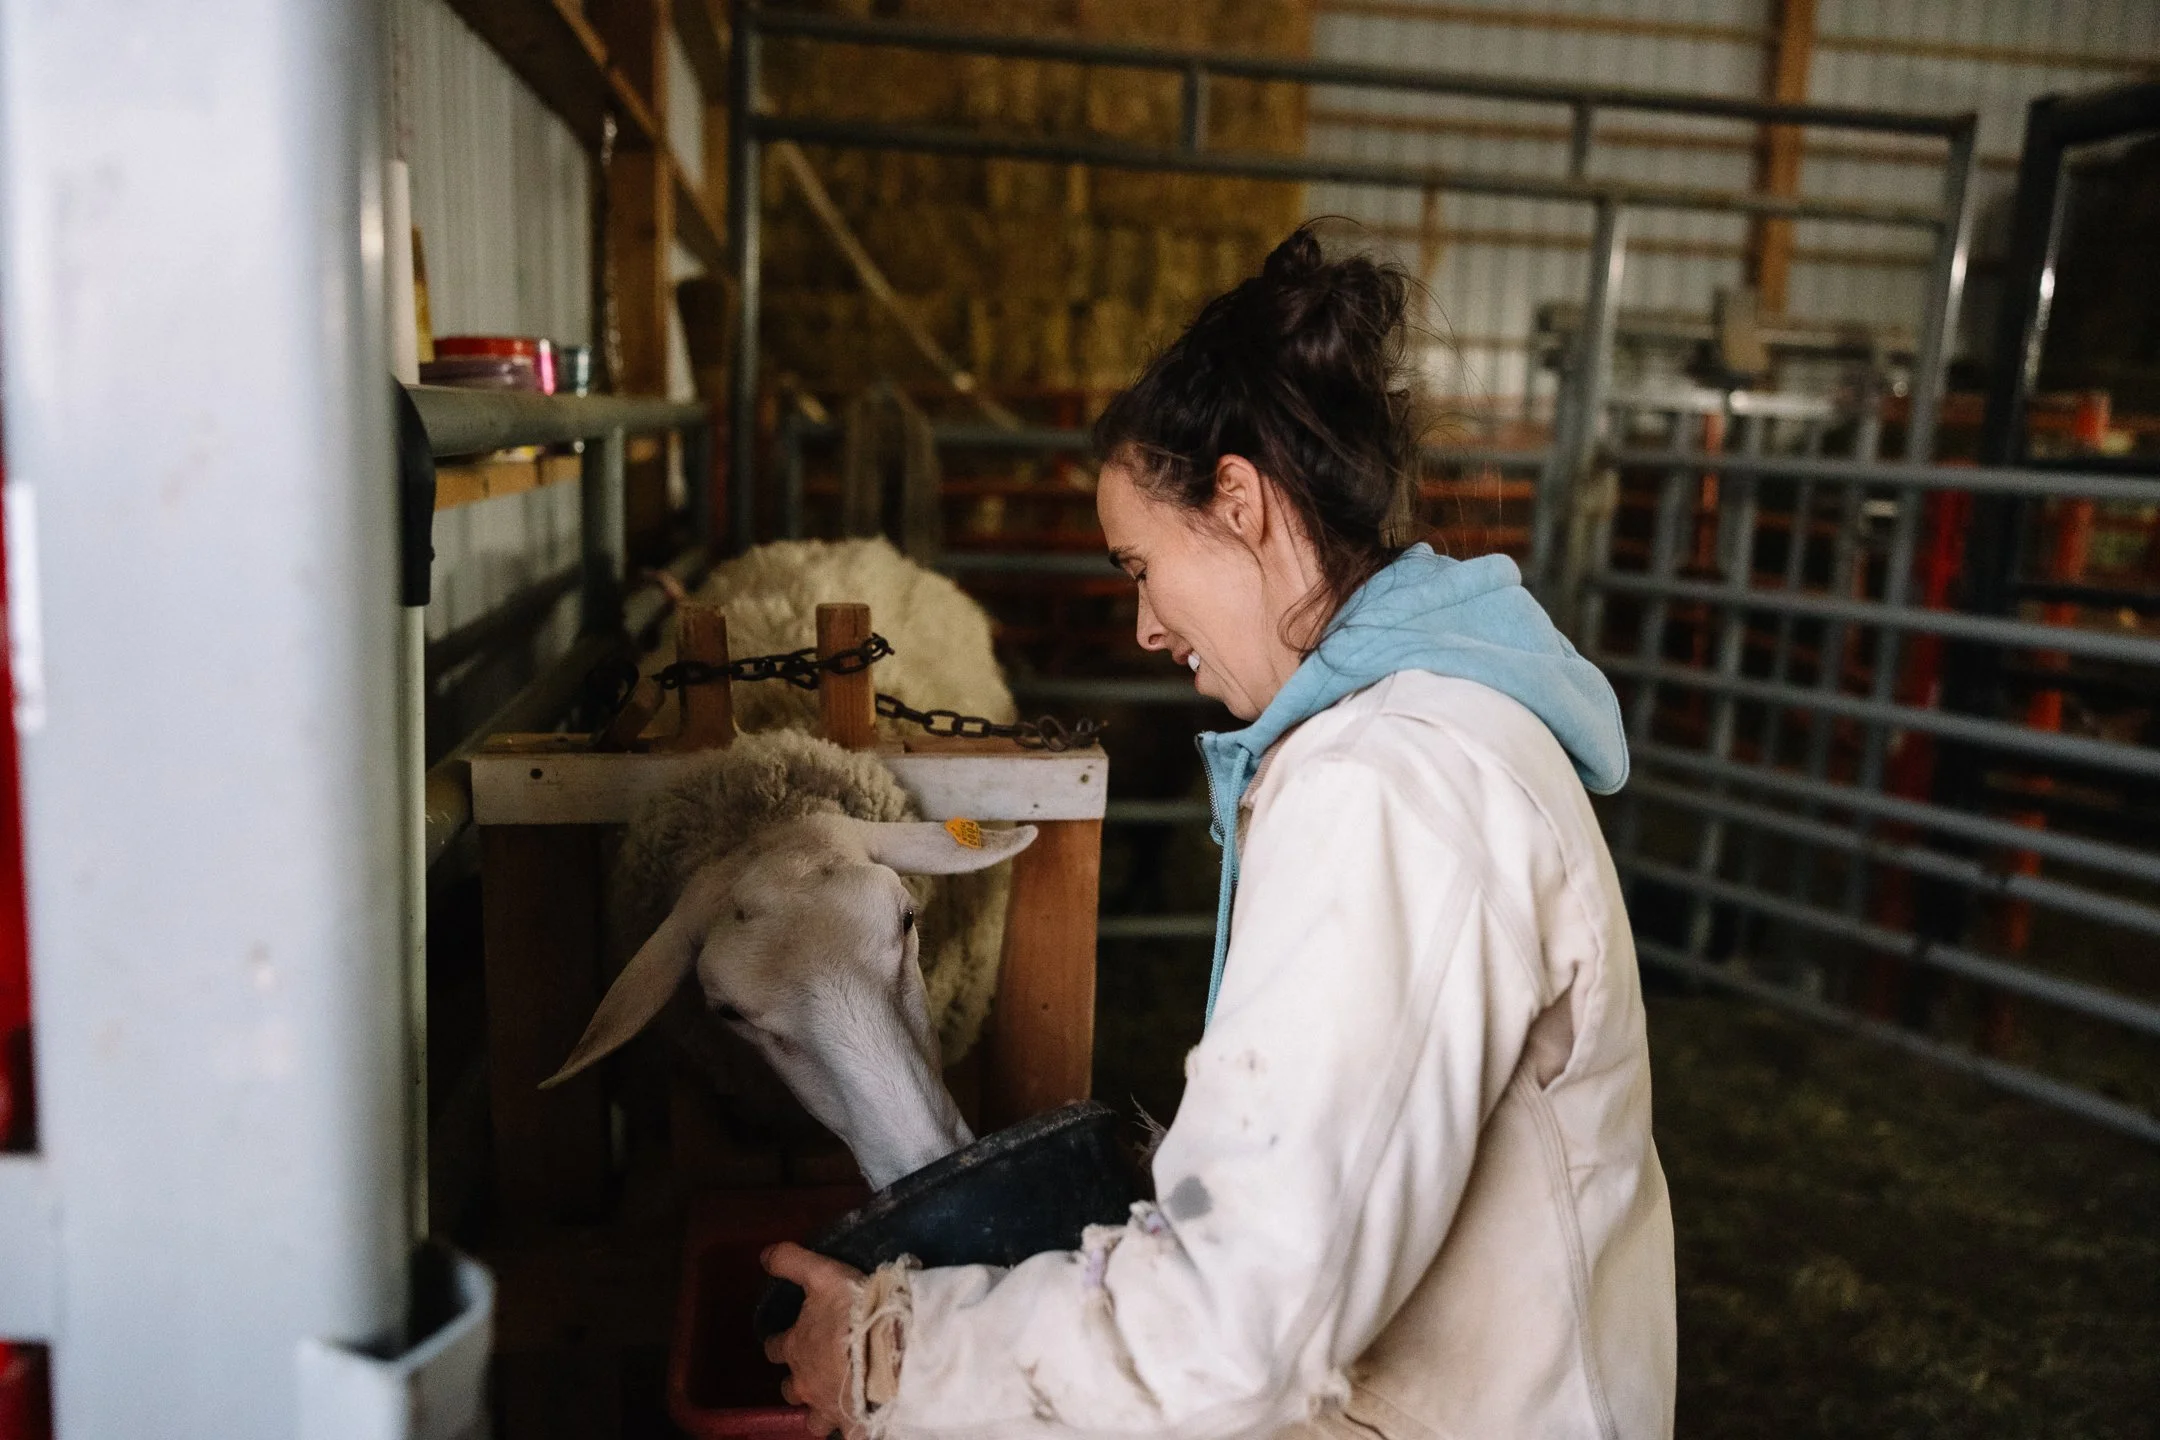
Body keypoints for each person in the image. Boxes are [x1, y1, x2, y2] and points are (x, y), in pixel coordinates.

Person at [763, 222, 1676, 1440]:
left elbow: (1233, 1330)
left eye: (1139, 564)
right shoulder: (1424, 738)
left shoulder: (1387, 791)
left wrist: (898, 1358)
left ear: (1237, 501)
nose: (1143, 625)